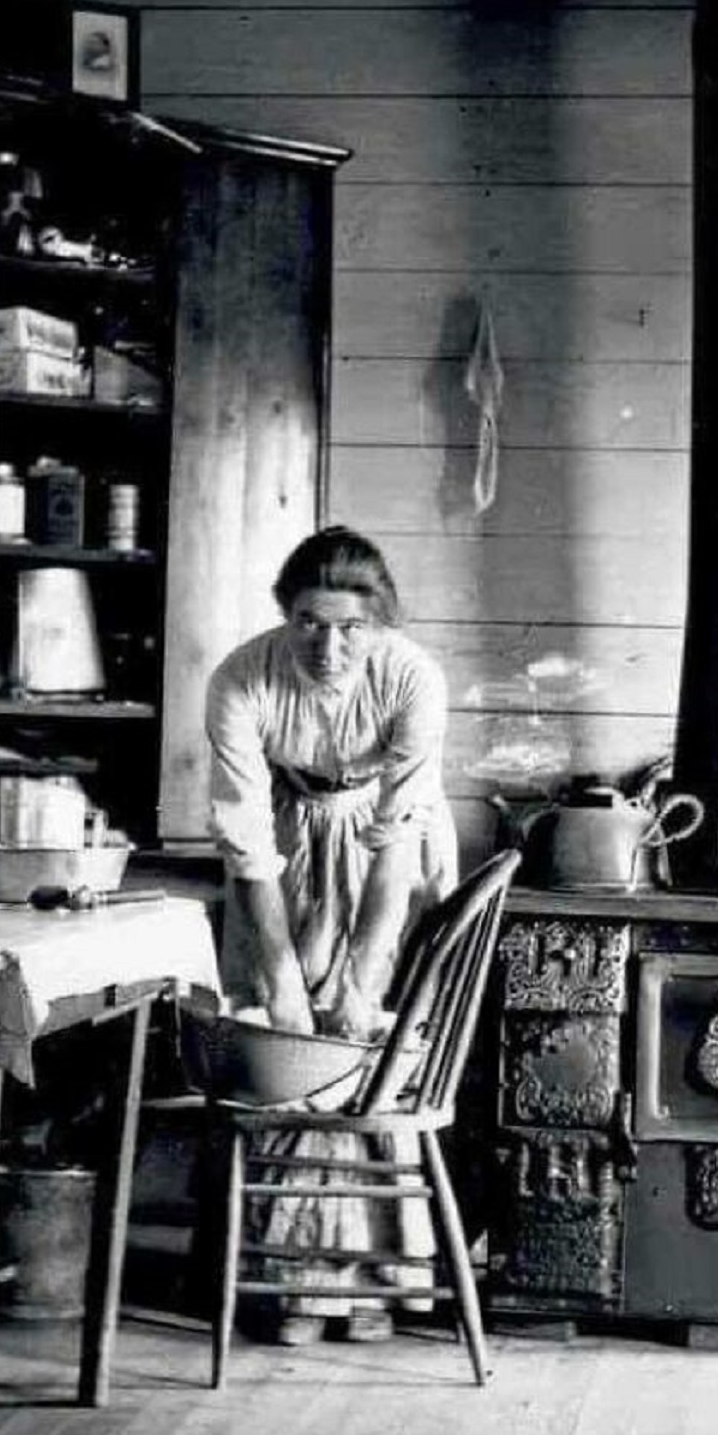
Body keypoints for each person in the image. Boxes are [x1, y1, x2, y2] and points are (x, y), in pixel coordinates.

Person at [205, 524, 458, 1344]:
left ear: (379, 622)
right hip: (285, 842)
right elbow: (248, 847)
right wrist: (283, 983)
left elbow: (397, 843)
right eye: (311, 621)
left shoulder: (412, 677)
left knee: (363, 1044)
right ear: (287, 614)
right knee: (287, 1042)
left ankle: (379, 1282)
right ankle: (293, 1284)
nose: (329, 645)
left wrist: (364, 976)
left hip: (390, 845)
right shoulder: (243, 678)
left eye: (351, 626)